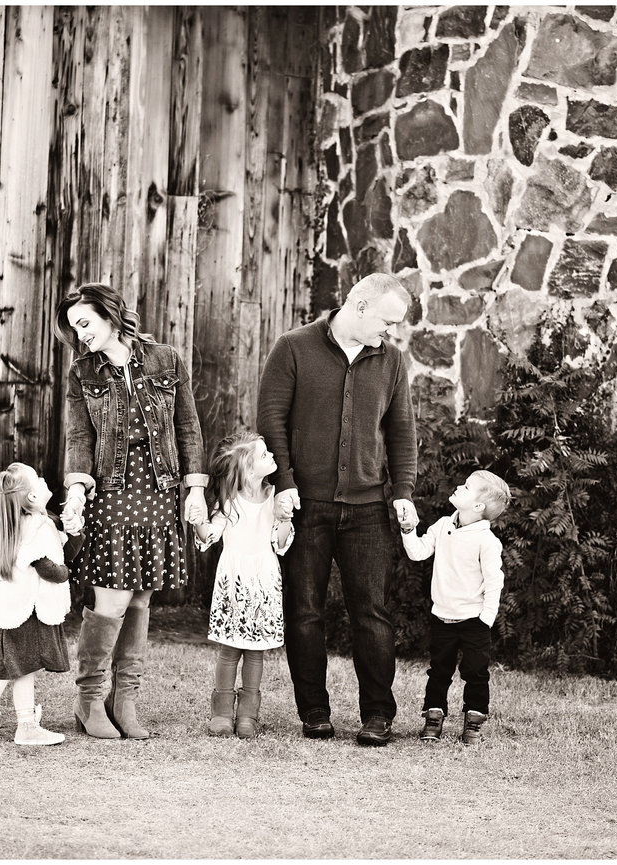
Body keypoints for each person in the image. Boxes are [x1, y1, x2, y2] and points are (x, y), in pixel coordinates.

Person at [256, 272, 417, 747]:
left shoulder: (391, 360)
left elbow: (403, 431)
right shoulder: (294, 347)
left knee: (373, 612)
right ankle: (314, 712)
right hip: (304, 505)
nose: (390, 332)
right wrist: (282, 483)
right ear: (360, 305)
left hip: (368, 506)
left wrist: (403, 491)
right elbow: (271, 420)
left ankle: (378, 716)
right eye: (387, 321)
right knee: (304, 612)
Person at [54, 282, 208, 741]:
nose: (80, 335)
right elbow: (80, 436)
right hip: (114, 490)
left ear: (110, 315)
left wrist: (194, 490)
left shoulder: (165, 359)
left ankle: (125, 701)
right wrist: (78, 488)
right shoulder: (83, 371)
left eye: (85, 323)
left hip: (160, 489)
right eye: (73, 328)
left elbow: (189, 428)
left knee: (141, 597)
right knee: (113, 597)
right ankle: (89, 699)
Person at [0, 462, 73, 746]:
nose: (45, 478)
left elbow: (59, 545)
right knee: (9, 672)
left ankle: (2, 724)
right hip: (28, 613)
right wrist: (66, 572)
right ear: (32, 497)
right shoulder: (37, 526)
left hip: (10, 611)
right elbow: (49, 569)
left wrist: (72, 531)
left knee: (17, 670)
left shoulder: (16, 524)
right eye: (39, 479)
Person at [194, 432, 294, 739]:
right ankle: (222, 711)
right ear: (249, 471)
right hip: (234, 581)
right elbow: (209, 536)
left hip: (263, 581)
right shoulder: (229, 501)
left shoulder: (276, 496)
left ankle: (248, 713)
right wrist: (198, 520)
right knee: (229, 649)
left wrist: (286, 519)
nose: (272, 457)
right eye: (264, 456)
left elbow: (280, 543)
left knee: (255, 651)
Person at [399, 470, 510, 746]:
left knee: (475, 672)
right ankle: (433, 718)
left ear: (478, 506)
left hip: (474, 620)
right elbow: (418, 552)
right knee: (439, 670)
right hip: (443, 616)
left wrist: (486, 618)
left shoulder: (486, 541)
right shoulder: (442, 526)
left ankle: (473, 721)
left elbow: (494, 581)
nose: (459, 486)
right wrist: (408, 530)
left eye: (467, 486)